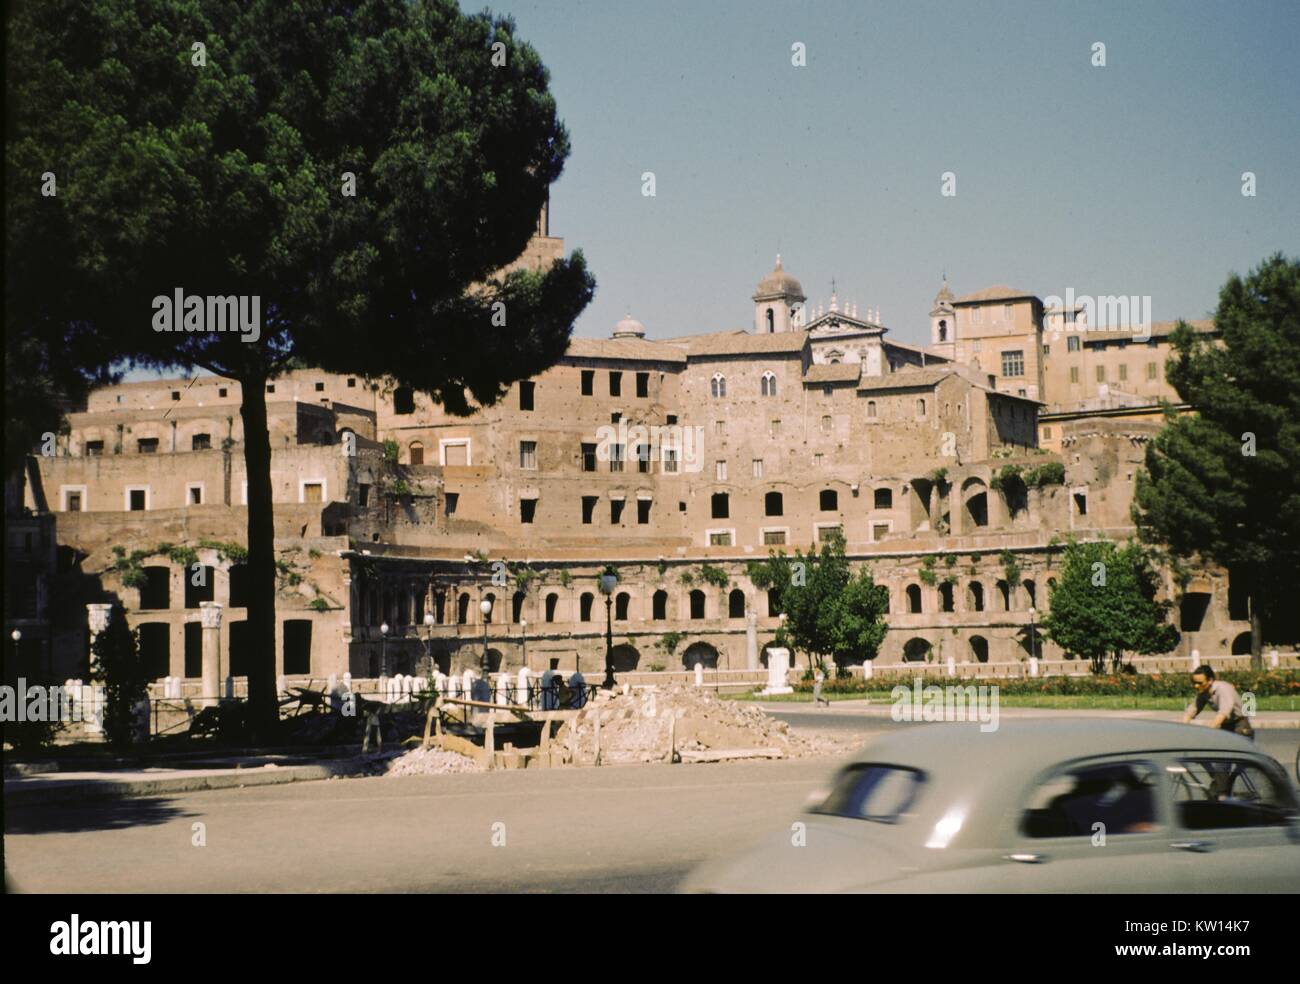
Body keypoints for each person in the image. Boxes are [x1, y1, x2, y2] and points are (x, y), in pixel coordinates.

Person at [1183, 664, 1254, 740]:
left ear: (1210, 680)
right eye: (1194, 682)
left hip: (1239, 725)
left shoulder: (1223, 689)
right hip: (1225, 725)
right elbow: (1192, 710)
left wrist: (1208, 732)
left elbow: (1223, 713)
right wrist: (1183, 729)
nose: (1196, 686)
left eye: (1200, 683)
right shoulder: (1204, 691)